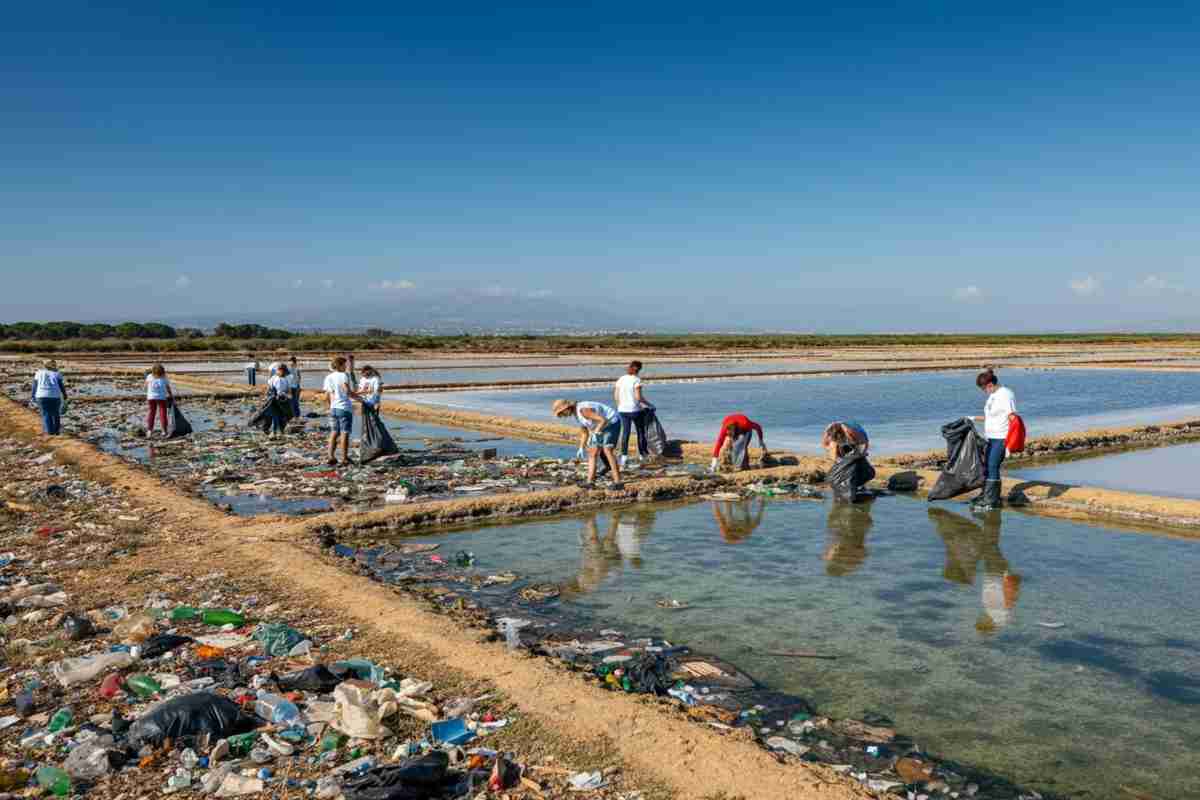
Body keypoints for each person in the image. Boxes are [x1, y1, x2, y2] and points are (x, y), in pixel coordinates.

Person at [969, 369, 1016, 511]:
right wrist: (972, 418)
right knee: (988, 466)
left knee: (993, 466)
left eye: (984, 388)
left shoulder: (1006, 394)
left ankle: (992, 500)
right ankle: (986, 496)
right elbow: (991, 417)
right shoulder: (992, 396)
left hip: (1002, 438)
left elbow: (1013, 418)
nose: (984, 391)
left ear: (990, 384)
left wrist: (1010, 443)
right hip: (991, 438)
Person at [552, 398, 622, 486]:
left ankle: (618, 482)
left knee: (607, 450)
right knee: (592, 452)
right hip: (600, 426)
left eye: (562, 413)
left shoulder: (583, 410)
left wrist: (596, 432)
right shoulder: (577, 415)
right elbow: (585, 433)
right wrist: (581, 447)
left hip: (612, 422)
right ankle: (590, 482)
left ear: (567, 408)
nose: (563, 416)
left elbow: (603, 420)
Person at [613, 360, 652, 466]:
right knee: (640, 432)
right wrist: (649, 404)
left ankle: (624, 457)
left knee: (625, 433)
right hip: (635, 410)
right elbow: (638, 397)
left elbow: (616, 395)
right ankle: (642, 455)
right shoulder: (637, 380)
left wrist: (619, 406)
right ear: (639, 369)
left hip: (622, 410)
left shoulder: (621, 379)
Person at [323, 356, 359, 466]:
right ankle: (344, 458)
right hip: (344, 408)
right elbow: (347, 390)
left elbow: (327, 395)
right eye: (345, 365)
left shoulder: (329, 377)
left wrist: (330, 407)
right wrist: (359, 399)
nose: (346, 367)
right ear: (340, 365)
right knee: (345, 433)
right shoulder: (343, 375)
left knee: (334, 432)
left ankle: (330, 456)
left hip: (334, 409)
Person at [31, 359, 67, 435]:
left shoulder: (38, 372)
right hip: (55, 396)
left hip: (41, 396)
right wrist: (65, 395)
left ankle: (50, 432)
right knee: (56, 414)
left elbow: (35, 385)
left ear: (44, 365)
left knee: (46, 414)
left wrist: (33, 396)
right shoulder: (57, 373)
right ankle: (56, 432)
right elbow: (61, 386)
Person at [145, 363, 175, 437]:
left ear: (153, 371)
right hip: (161, 398)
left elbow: (145, 385)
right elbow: (168, 388)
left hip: (151, 398)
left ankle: (149, 430)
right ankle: (164, 431)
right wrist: (171, 396)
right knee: (162, 414)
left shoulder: (149, 376)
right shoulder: (164, 378)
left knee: (152, 413)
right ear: (163, 371)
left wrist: (147, 375)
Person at [266, 364, 291, 438]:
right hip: (277, 400)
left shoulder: (280, 379)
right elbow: (280, 392)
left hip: (278, 399)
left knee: (278, 416)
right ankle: (276, 431)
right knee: (277, 416)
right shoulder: (277, 379)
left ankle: (277, 431)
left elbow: (270, 387)